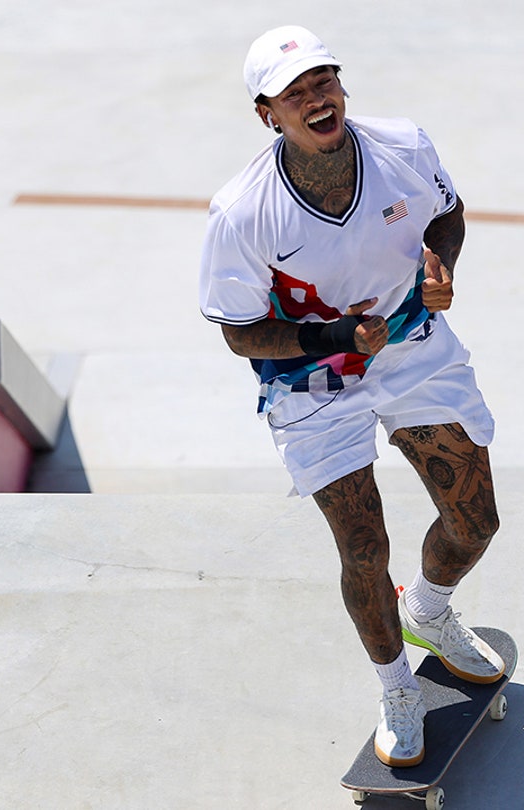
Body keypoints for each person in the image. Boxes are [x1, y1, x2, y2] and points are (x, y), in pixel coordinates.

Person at [198, 25, 504, 767]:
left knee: (475, 522)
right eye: (294, 93)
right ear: (268, 114)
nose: (316, 99)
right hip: (312, 383)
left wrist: (439, 266)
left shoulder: (403, 146)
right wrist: (335, 337)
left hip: (411, 348)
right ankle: (397, 685)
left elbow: (447, 215)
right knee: (364, 548)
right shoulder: (241, 212)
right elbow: (240, 333)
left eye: (323, 81)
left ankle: (427, 610)